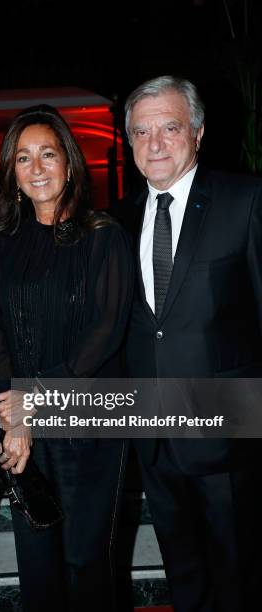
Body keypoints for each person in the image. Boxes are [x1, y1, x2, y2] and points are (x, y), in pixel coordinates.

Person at [0, 104, 133, 612]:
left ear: (69, 162)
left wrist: (31, 398)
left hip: (89, 421)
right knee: (38, 561)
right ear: (12, 172)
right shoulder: (2, 243)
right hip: (25, 426)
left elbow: (105, 331)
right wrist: (12, 416)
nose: (37, 167)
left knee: (88, 564)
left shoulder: (102, 235)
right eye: (23, 158)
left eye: (48, 154)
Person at [123, 75, 262, 612]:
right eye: (141, 131)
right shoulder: (117, 218)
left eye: (170, 127)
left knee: (238, 577)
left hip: (229, 437)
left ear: (198, 133)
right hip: (155, 441)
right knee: (185, 578)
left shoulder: (246, 202)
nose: (155, 143)